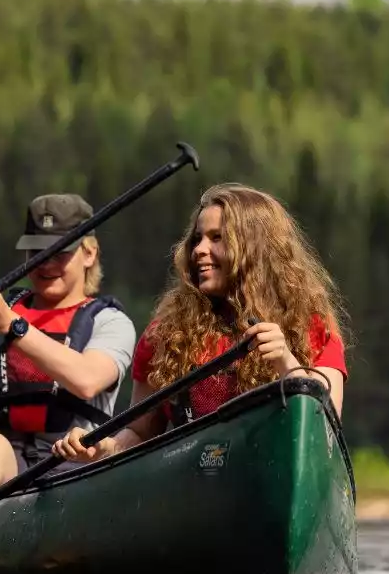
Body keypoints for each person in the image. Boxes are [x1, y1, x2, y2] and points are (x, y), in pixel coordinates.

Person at [51, 183, 347, 465]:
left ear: (256, 248)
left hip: (271, 467)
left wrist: (286, 362)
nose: (198, 250)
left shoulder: (308, 326)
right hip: (195, 484)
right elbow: (140, 433)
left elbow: (326, 424)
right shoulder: (165, 334)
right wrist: (101, 447)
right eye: (197, 239)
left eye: (217, 238)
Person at [0, 193, 136, 491]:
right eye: (37, 252)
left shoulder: (111, 322)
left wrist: (11, 326)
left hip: (74, 470)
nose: (45, 264)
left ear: (90, 254)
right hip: (4, 467)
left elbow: (86, 381)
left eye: (59, 253)